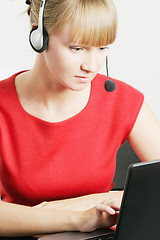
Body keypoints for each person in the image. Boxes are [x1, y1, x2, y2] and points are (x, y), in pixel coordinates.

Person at [0, 0, 160, 237]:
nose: (92, 65)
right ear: (39, 36)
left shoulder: (122, 100)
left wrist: (94, 201)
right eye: (77, 48)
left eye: (103, 48)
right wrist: (78, 218)